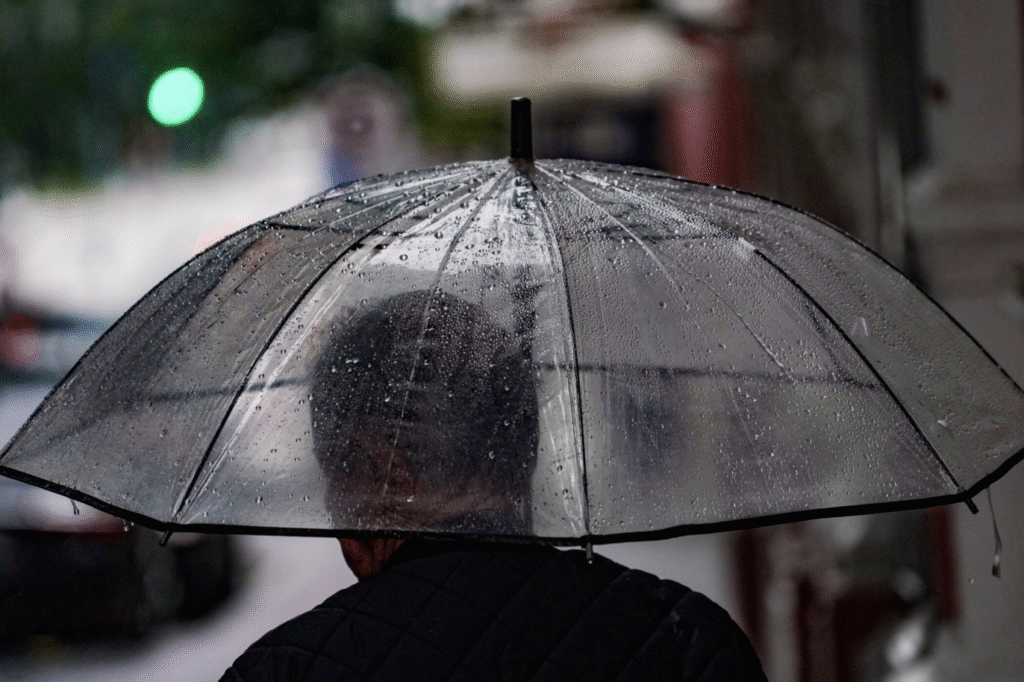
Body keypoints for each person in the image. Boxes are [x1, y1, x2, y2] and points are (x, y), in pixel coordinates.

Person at [220, 290, 767, 681]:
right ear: (518, 450)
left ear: (384, 470)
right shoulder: (685, 642)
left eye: (335, 470)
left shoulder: (285, 670)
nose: (330, 504)